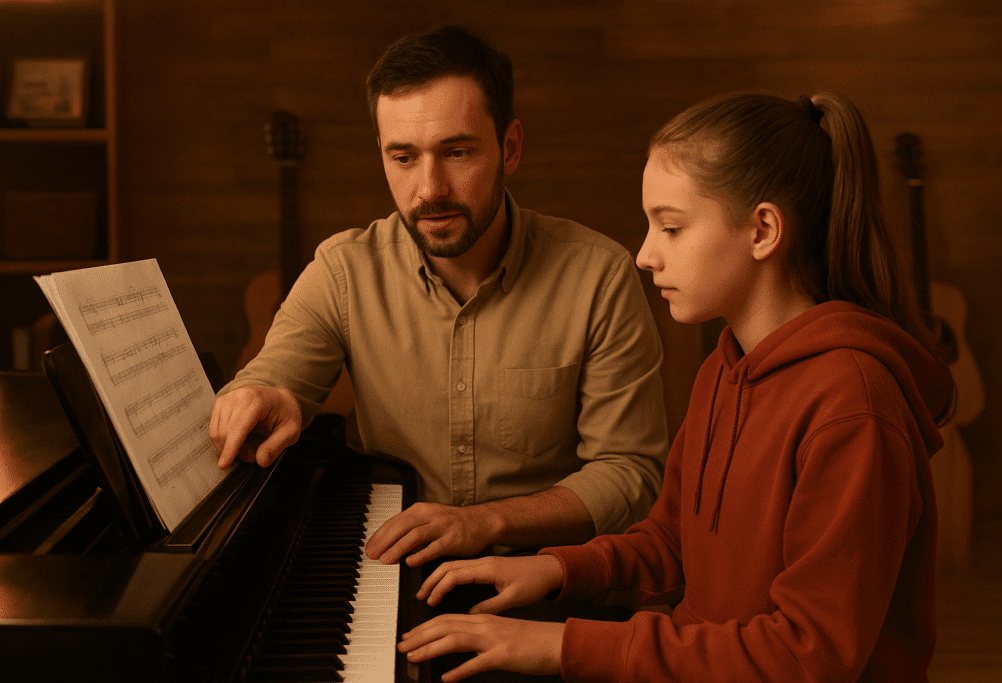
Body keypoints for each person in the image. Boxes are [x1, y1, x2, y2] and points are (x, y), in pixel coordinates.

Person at [396, 90, 954, 683]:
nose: (644, 255)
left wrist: (560, 646)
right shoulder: (726, 366)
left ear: (763, 230)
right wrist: (553, 569)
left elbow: (806, 654)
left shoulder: (853, 406)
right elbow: (672, 542)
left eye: (671, 227)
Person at [209, 24, 669, 567]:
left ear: (510, 147)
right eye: (403, 158)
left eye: (456, 153)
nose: (429, 190)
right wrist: (267, 394)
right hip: (396, 578)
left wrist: (484, 523)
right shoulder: (343, 271)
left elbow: (630, 473)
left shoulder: (599, 275)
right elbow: (274, 376)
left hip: (551, 587)